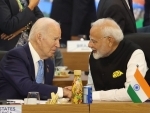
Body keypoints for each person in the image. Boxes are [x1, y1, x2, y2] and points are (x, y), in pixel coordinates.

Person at [0, 17, 71, 100]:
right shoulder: (15, 57)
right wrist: (61, 92)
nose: (58, 45)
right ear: (39, 37)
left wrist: (63, 93)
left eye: (59, 40)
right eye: (55, 39)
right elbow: (26, 88)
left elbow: (43, 94)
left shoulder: (49, 64)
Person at [87, 18, 148, 101]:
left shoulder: (134, 54)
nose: (89, 45)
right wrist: (79, 91)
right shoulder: (94, 55)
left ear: (110, 40)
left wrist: (94, 95)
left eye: (94, 41)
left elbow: (135, 93)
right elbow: (91, 88)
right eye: (90, 39)